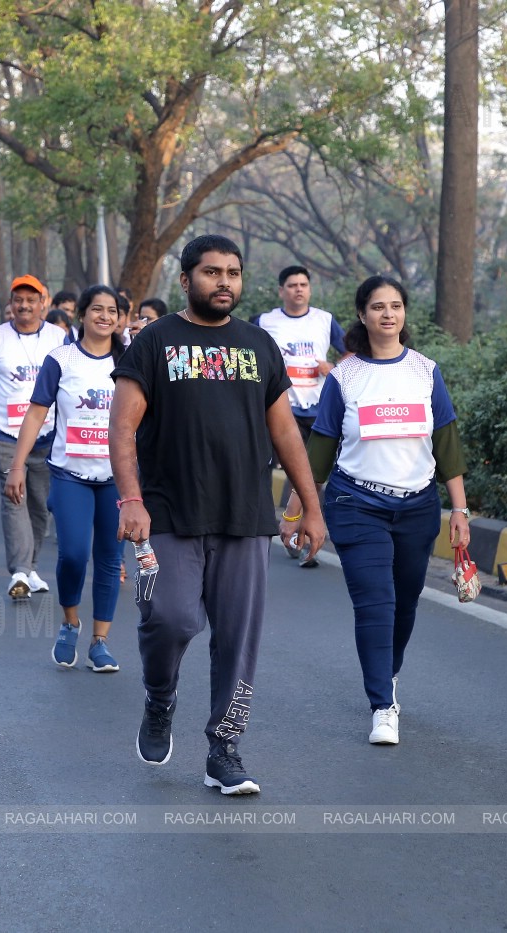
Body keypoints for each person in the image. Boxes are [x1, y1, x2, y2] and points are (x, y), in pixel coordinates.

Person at [111, 234, 326, 795]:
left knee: (238, 637)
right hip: (167, 512)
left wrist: (309, 505)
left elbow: (284, 431)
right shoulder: (154, 343)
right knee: (171, 618)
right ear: (186, 281)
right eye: (211, 273)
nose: (224, 282)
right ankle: (160, 699)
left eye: (233, 272)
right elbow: (123, 427)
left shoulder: (259, 345)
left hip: (244, 513)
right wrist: (130, 499)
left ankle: (224, 749)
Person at [281, 276, 470, 745]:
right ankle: (382, 706)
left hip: (418, 507)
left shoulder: (426, 371)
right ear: (362, 316)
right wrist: (298, 510)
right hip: (356, 504)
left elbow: (445, 443)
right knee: (375, 605)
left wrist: (460, 509)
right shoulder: (345, 376)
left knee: (404, 604)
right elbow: (320, 449)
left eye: (396, 306)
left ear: (405, 314)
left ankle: (388, 675)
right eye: (378, 307)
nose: (388, 314)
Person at [6, 285, 125, 672]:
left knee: (110, 559)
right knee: (74, 553)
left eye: (112, 311)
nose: (105, 316)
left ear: (120, 319)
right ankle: (70, 622)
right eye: (97, 309)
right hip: (71, 475)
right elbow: (37, 414)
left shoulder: (132, 361)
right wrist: (18, 465)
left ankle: (100, 641)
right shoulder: (61, 360)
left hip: (118, 478)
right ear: (82, 315)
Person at [0, 275, 68, 600]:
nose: (24, 305)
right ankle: (19, 572)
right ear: (10, 304)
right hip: (5, 433)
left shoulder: (60, 337)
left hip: (48, 434)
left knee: (41, 505)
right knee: (15, 498)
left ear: (44, 302)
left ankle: (32, 567)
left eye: (31, 299)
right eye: (18, 300)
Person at [258, 266, 347, 568]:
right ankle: (259, 530)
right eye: (292, 285)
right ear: (281, 290)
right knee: (261, 467)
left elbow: (354, 352)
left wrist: (334, 366)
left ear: (309, 290)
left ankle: (301, 533)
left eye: (303, 284)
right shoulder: (266, 321)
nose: (298, 289)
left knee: (312, 475)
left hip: (318, 408)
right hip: (277, 407)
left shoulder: (324, 320)